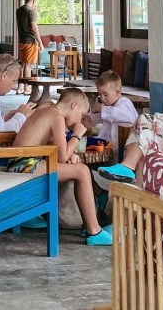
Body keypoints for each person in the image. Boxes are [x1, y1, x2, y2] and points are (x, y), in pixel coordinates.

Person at [9, 87, 112, 245]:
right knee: (82, 171)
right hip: (24, 164)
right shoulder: (56, 116)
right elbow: (62, 157)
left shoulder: (48, 108)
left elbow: (52, 146)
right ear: (74, 105)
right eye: (81, 115)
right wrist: (77, 135)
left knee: (80, 169)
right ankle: (93, 230)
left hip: (21, 161)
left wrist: (70, 154)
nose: (79, 121)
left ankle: (89, 225)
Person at [83, 71, 138, 151]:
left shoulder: (125, 103)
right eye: (100, 95)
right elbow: (98, 116)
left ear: (117, 92)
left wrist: (101, 109)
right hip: (108, 143)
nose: (102, 98)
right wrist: (89, 119)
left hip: (124, 147)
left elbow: (117, 114)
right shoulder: (107, 106)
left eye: (105, 95)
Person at [15, 0, 41, 94]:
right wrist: (40, 42)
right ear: (34, 1)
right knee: (28, 65)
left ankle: (20, 87)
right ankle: (27, 88)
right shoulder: (31, 11)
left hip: (21, 41)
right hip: (30, 41)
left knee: (22, 64)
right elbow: (34, 28)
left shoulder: (18, 10)